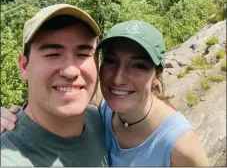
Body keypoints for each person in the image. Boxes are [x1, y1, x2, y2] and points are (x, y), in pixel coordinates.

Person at [1, 20, 209, 166]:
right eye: (110, 61)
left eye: (138, 66)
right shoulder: (101, 112)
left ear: (157, 75)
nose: (118, 79)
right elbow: (52, 96)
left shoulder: (181, 145)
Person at [1, 4, 108, 167]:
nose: (71, 71)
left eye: (83, 54)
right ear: (24, 66)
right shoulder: (9, 159)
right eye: (53, 54)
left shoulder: (101, 122)